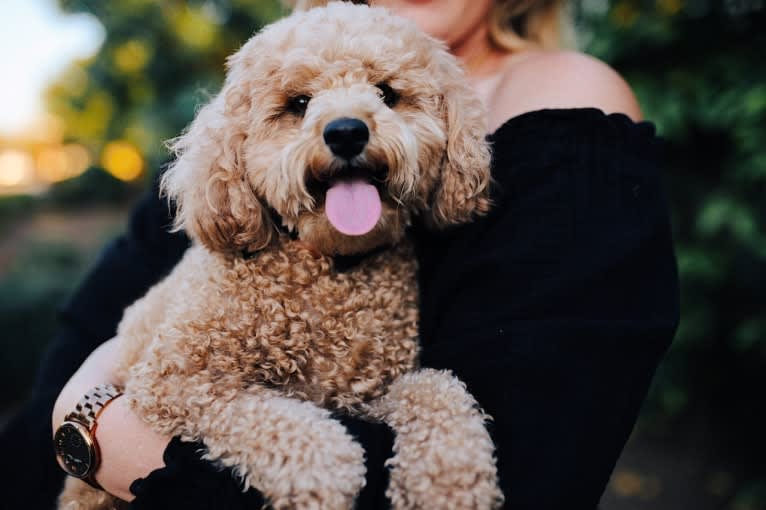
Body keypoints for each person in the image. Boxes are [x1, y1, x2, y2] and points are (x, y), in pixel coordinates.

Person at [0, 0, 679, 508]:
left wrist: (90, 422)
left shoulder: (568, 107)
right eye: (298, 105)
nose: (345, 122)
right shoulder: (254, 92)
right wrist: (77, 415)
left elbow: (536, 470)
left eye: (388, 95)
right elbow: (81, 352)